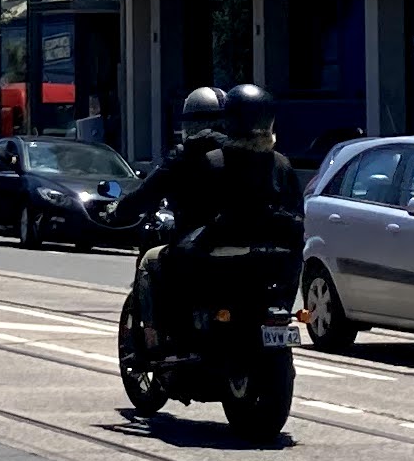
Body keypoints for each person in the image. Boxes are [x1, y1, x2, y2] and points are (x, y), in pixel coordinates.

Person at [117, 84, 306, 349]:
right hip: (271, 264)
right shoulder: (280, 163)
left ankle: (154, 337)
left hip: (218, 255)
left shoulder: (211, 160)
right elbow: (298, 215)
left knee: (153, 262)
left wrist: (120, 211)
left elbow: (197, 210)